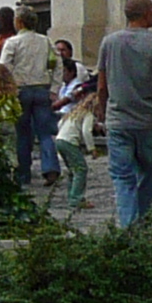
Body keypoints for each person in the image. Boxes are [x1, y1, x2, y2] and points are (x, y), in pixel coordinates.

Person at [98, 0, 152, 227]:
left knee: (123, 178)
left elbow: (101, 86)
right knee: (148, 176)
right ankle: (144, 225)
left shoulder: (109, 43)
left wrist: (103, 112)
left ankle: (129, 228)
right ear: (145, 14)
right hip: (150, 119)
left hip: (119, 119)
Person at [0, 9, 63, 186]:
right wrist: (55, 88)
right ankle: (50, 168)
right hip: (42, 88)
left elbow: (4, 67)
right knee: (44, 132)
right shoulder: (46, 41)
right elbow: (57, 64)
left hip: (21, 90)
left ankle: (23, 173)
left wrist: (10, 86)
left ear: (19, 22)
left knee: (22, 133)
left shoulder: (12, 42)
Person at [51, 43, 98, 211]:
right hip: (70, 143)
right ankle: (76, 198)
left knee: (72, 169)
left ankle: (72, 195)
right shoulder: (87, 113)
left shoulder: (75, 111)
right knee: (81, 169)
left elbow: (61, 122)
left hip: (60, 140)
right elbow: (86, 131)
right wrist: (92, 148)